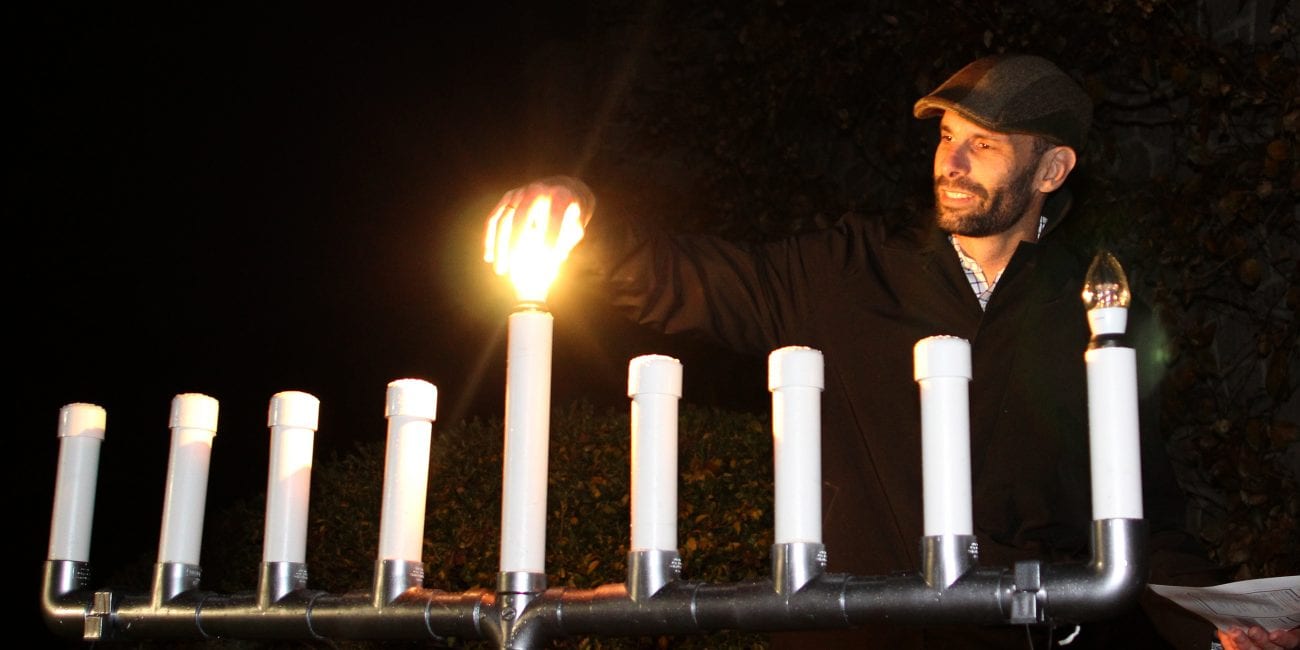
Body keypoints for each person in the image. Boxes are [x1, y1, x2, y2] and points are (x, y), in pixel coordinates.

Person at [486, 54, 1296, 649]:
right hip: (857, 636)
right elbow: (677, 279)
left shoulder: (1099, 311)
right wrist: (582, 215)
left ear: (1052, 168)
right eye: (948, 135)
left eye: (985, 143)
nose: (951, 160)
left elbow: (1148, 510)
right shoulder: (843, 270)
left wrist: (1216, 626)